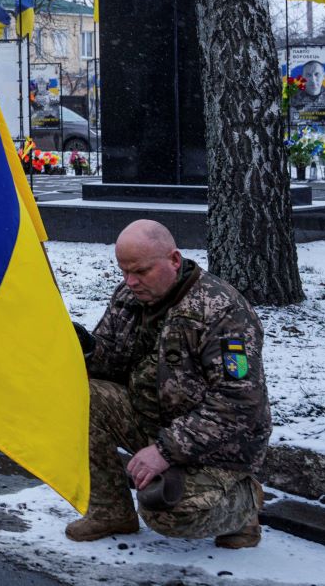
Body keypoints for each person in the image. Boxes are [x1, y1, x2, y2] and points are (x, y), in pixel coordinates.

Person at [68, 219, 269, 549]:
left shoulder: (222, 311)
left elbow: (239, 403)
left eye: (141, 271)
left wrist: (165, 450)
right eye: (124, 271)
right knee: (79, 397)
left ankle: (244, 502)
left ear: (174, 260)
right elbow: (112, 361)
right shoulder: (130, 296)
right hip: (153, 420)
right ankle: (110, 511)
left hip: (217, 450)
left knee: (164, 513)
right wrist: (89, 348)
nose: (130, 282)